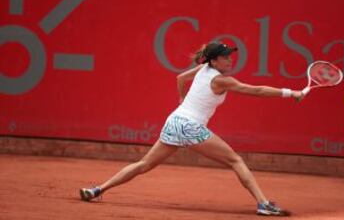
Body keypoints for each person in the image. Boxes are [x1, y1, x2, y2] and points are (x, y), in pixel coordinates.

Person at [79, 42, 303, 216]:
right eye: (225, 57)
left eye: (230, 55)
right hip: (191, 126)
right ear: (214, 61)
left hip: (174, 120)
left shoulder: (202, 69)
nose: (230, 60)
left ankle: (98, 189)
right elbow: (257, 91)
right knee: (236, 160)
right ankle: (264, 204)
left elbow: (179, 78)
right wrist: (290, 93)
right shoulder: (223, 80)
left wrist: (181, 100)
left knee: (143, 164)